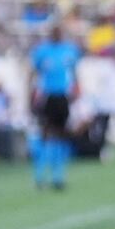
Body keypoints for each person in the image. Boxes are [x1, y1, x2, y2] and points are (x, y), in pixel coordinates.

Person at [28, 25, 81, 190]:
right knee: (45, 134)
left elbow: (75, 73)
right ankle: (39, 175)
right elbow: (32, 74)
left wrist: (77, 90)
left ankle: (58, 176)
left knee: (62, 135)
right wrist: (30, 95)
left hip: (63, 97)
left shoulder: (70, 50)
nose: (57, 34)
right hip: (48, 97)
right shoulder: (42, 51)